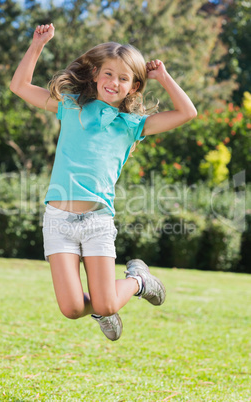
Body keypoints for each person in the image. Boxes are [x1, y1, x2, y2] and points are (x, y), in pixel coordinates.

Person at [10, 23, 197, 341]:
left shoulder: (133, 125)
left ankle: (138, 281)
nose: (114, 82)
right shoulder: (71, 107)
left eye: (124, 78)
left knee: (107, 303)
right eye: (108, 74)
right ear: (95, 74)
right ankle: (104, 306)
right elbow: (20, 86)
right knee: (70, 308)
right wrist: (38, 45)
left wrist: (163, 78)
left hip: (97, 220)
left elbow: (187, 113)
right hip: (58, 220)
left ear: (134, 87)